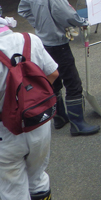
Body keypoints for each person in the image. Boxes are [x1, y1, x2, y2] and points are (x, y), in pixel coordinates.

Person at [18, 0, 100, 137]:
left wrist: (38, 22)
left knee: (53, 80)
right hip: (57, 43)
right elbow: (67, 16)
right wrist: (82, 22)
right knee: (73, 82)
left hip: (42, 42)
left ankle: (60, 117)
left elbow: (22, 9)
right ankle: (77, 123)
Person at [0, 14, 59, 200]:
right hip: (38, 123)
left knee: (12, 189)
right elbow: (53, 74)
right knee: (38, 177)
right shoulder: (30, 39)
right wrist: (31, 97)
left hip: (6, 132)